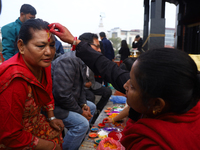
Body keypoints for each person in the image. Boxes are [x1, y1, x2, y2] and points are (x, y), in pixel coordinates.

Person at [49, 23, 200, 149]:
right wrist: (74, 42)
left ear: (156, 104)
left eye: (132, 86)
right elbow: (111, 70)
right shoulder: (162, 93)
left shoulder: (153, 144)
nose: (125, 85)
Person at [0, 19, 64, 150]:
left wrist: (51, 118)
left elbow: (47, 91)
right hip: (13, 135)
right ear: (21, 46)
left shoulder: (42, 64)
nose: (49, 52)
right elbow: (10, 135)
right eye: (41, 46)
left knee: (58, 133)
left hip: (34, 120)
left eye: (51, 45)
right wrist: (52, 147)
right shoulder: (15, 80)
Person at [51, 48, 96, 150]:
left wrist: (84, 105)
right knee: (82, 124)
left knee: (91, 106)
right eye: (96, 47)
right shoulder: (68, 61)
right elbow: (62, 96)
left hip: (68, 101)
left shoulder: (82, 61)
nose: (99, 50)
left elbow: (81, 89)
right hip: (56, 105)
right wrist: (80, 111)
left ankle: (80, 140)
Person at [79, 32, 112, 113]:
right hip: (81, 87)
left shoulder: (93, 59)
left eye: (99, 47)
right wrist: (84, 84)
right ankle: (88, 115)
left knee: (107, 91)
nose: (99, 50)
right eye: (97, 46)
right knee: (90, 96)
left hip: (92, 84)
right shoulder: (75, 59)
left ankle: (97, 110)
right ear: (86, 46)